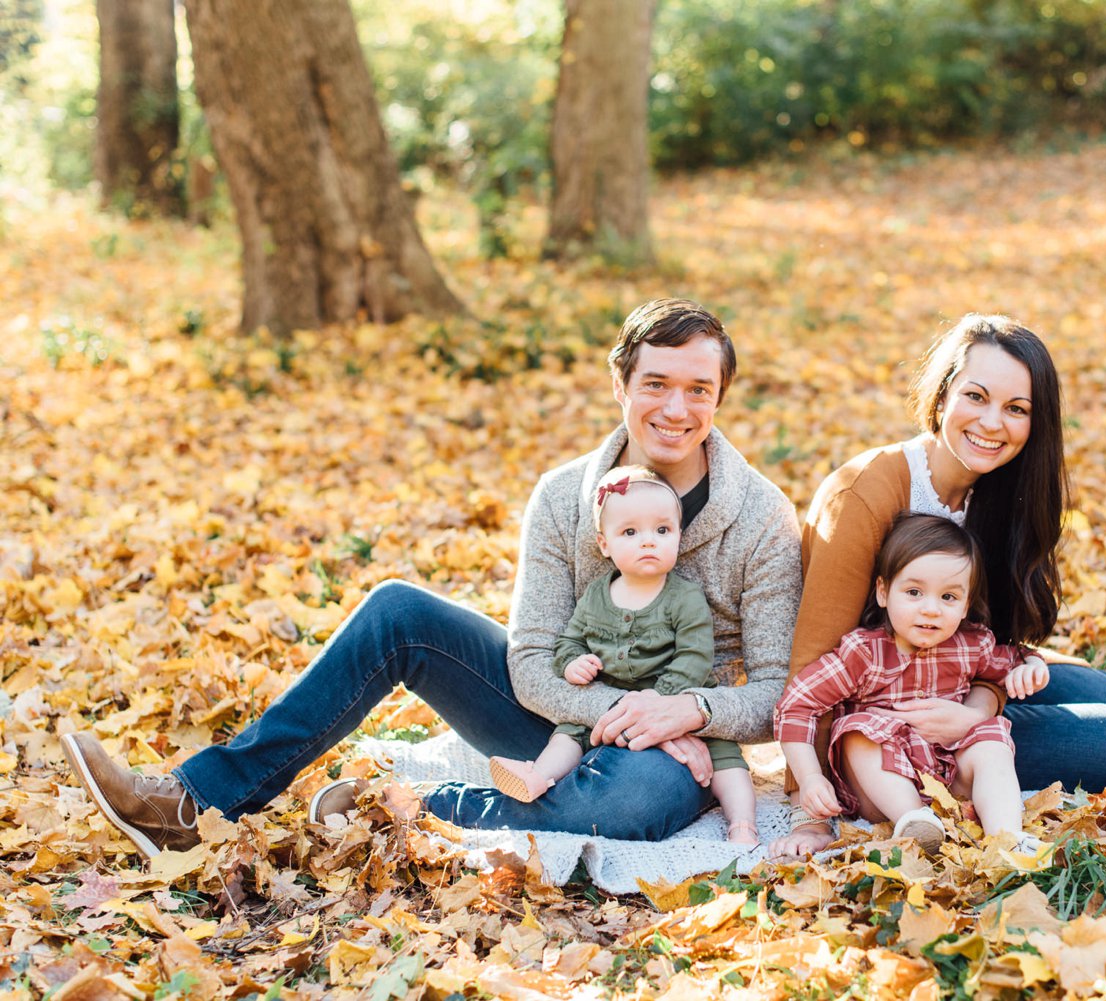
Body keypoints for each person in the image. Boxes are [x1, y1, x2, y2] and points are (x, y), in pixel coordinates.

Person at [62, 298, 802, 858]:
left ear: (720, 396)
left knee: (628, 804)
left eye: (699, 390)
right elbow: (528, 656)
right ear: (621, 384)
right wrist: (615, 708)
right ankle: (194, 801)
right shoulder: (562, 495)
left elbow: (776, 690)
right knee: (397, 610)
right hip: (566, 712)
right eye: (657, 383)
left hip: (684, 749)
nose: (676, 409)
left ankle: (406, 804)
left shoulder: (763, 518)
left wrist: (688, 713)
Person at [769, 314, 1106, 858]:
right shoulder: (866, 493)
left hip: (967, 678)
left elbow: (996, 645)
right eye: (975, 397)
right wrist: (812, 812)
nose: (992, 423)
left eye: (1016, 409)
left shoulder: (1005, 493)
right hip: (889, 716)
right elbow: (813, 662)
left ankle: (999, 743)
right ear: (941, 397)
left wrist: (979, 711)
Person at [488, 465, 758, 845]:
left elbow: (694, 658)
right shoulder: (597, 595)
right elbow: (569, 641)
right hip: (605, 700)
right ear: (604, 544)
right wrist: (573, 664)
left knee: (726, 760)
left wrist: (659, 701)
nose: (648, 541)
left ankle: (742, 823)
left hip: (678, 705)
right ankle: (537, 777)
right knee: (567, 735)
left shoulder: (684, 597)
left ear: (679, 536)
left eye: (662, 531)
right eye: (630, 532)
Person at [776, 513, 1050, 851]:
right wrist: (809, 778)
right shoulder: (864, 654)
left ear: (966, 605)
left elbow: (1014, 659)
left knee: (992, 738)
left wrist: (1031, 666)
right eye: (914, 592)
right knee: (859, 731)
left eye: (948, 597)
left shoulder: (972, 645)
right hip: (880, 790)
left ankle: (1008, 838)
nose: (931, 609)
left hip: (948, 776)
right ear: (883, 592)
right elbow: (796, 705)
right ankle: (915, 822)